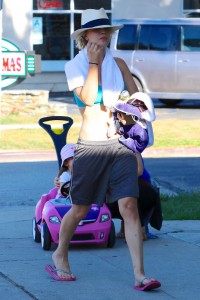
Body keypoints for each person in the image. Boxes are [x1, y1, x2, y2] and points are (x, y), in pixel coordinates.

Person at [45, 8, 161, 291]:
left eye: (107, 29)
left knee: (129, 206)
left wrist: (131, 110)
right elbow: (86, 100)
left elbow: (137, 102)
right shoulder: (75, 66)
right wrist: (94, 64)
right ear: (85, 35)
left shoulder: (119, 64)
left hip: (119, 145)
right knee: (80, 208)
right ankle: (60, 253)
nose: (104, 34)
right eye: (98, 30)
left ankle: (139, 275)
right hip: (91, 147)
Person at [108, 155, 163, 240]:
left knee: (130, 193)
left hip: (141, 188)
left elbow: (139, 171)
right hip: (124, 188)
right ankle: (125, 229)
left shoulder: (131, 148)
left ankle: (141, 230)